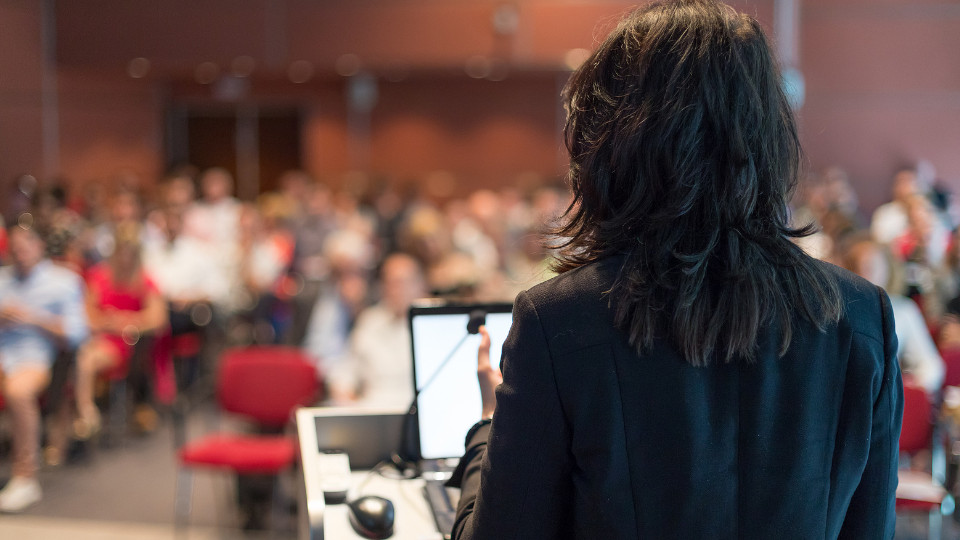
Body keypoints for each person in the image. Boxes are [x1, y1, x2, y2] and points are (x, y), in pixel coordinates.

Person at [449, 1, 902, 538]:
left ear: (608, 142)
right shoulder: (862, 317)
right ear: (769, 133)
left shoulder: (559, 324)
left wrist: (487, 429)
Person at [0, 223, 87, 512]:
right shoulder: (2, 280)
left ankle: (25, 477)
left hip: (35, 357)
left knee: (17, 390)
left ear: (39, 246)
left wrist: (32, 317)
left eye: (25, 245)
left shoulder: (64, 281)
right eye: (15, 247)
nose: (20, 252)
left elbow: (77, 333)